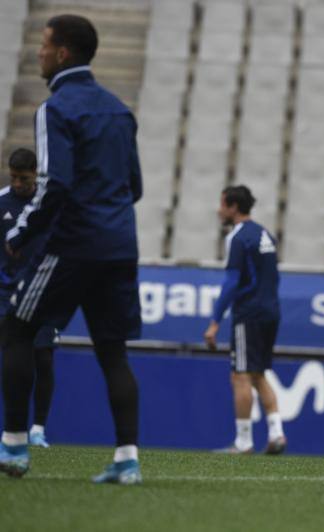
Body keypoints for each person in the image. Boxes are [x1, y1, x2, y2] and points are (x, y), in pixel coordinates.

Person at [0, 15, 144, 484]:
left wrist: (19, 234)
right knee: (113, 351)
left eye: (43, 46)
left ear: (62, 53)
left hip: (73, 244)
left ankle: (15, 447)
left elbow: (54, 185)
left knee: (18, 330)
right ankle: (127, 459)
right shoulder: (121, 110)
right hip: (120, 244)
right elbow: (135, 186)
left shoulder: (55, 108)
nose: (38, 53)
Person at [204, 186, 286, 456]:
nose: (219, 210)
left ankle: (243, 442)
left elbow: (231, 282)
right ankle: (276, 434)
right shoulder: (266, 235)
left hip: (248, 313)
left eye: (222, 204)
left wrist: (215, 321)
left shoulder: (237, 238)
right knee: (258, 374)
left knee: (239, 375)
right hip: (271, 310)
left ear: (233, 207)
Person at [0, 149, 59, 449]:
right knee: (12, 356)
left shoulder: (47, 204)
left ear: (36, 174)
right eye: (14, 178)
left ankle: (38, 428)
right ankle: (12, 427)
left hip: (43, 290)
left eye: (24, 178)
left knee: (43, 357)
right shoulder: (2, 202)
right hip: (6, 293)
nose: (18, 184)